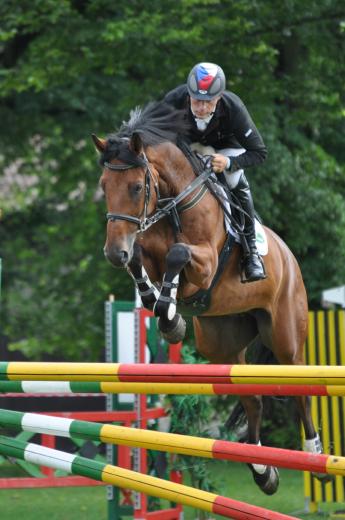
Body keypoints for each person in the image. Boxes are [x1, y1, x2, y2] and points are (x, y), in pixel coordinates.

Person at [164, 62, 267, 282]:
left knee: (233, 178)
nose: (200, 107)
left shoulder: (233, 107)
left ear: (219, 97)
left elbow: (259, 152)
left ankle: (251, 253)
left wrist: (229, 162)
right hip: (188, 149)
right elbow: (150, 129)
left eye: (208, 101)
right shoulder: (174, 99)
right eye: (196, 100)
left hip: (225, 150)